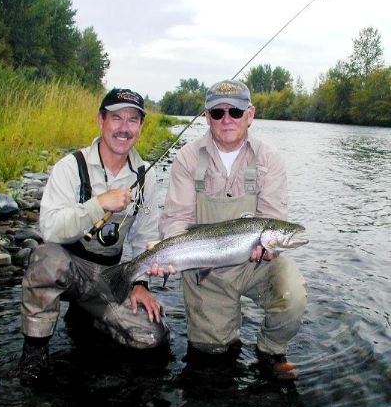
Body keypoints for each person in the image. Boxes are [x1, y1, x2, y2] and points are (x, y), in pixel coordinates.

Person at [157, 79, 307, 380]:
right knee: (212, 361)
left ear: (249, 114)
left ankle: (271, 353)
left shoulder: (269, 160)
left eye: (235, 112)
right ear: (206, 116)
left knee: (292, 294)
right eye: (217, 113)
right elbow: (176, 217)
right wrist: (167, 253)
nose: (227, 119)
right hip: (203, 266)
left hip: (256, 265)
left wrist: (270, 250)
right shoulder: (188, 158)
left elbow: (273, 217)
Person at [18, 88, 169, 382]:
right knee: (45, 257)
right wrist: (98, 204)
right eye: (116, 118)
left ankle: (91, 316)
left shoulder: (145, 175)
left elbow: (143, 236)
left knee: (151, 336)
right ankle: (34, 349)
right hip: (68, 265)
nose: (124, 128)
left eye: (133, 120)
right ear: (101, 120)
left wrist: (140, 283)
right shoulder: (70, 167)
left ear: (140, 127)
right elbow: (49, 228)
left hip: (112, 275)